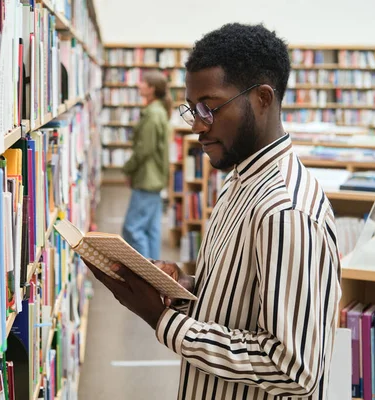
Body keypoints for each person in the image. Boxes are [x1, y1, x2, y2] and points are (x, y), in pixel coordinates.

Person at [86, 23, 342, 400]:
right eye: (192, 110)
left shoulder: (285, 211)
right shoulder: (239, 179)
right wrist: (186, 287)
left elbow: (292, 369)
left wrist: (162, 320)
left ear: (263, 99)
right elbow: (242, 296)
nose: (198, 126)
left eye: (210, 107)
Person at [121, 70, 171, 260]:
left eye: (143, 82)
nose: (139, 85)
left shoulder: (152, 114)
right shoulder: (159, 111)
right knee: (151, 230)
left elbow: (144, 149)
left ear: (151, 89)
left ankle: (144, 273)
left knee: (132, 229)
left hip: (147, 178)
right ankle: (154, 273)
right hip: (155, 178)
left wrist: (127, 169)